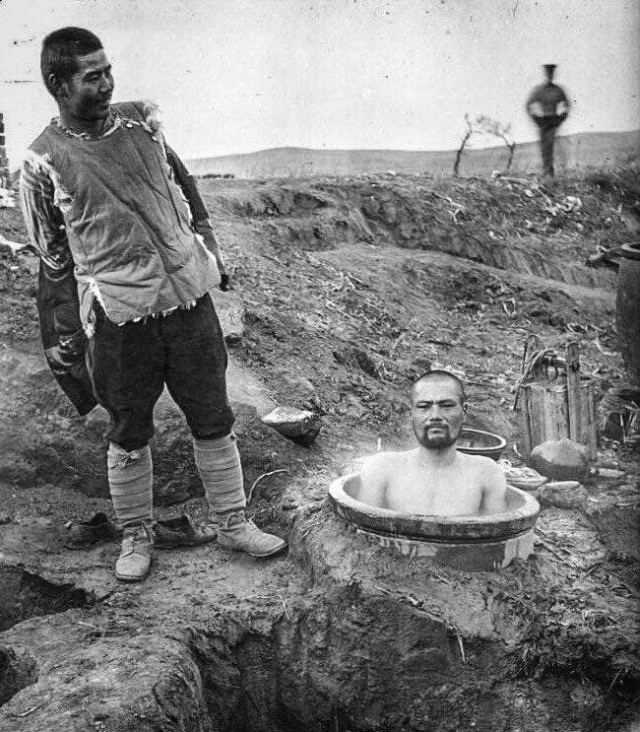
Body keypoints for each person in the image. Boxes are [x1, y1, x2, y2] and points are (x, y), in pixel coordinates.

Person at [20, 27, 286, 583]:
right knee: (128, 425)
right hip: (121, 316)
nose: (108, 84)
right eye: (92, 77)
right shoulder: (43, 161)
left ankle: (233, 522)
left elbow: (186, 188)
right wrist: (67, 340)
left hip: (189, 300)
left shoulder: (143, 123)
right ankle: (136, 534)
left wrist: (209, 253)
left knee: (212, 414)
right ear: (59, 85)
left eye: (109, 71)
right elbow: (53, 259)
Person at [358, 371, 507, 515]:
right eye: (424, 406)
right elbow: (361, 528)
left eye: (447, 406)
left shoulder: (486, 473)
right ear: (411, 414)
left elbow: (497, 529)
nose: (435, 416)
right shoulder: (382, 469)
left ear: (464, 412)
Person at [526, 64, 571, 183]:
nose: (549, 75)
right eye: (548, 73)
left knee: (550, 146)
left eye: (551, 73)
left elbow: (567, 105)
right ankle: (547, 173)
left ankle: (550, 174)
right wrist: (536, 119)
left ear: (553, 74)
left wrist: (561, 118)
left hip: (553, 120)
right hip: (543, 121)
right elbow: (528, 105)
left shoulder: (558, 90)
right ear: (545, 74)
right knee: (544, 147)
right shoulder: (539, 90)